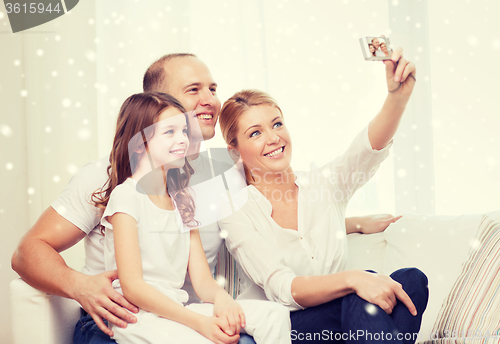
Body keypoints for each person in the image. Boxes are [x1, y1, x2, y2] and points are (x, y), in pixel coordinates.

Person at [11, 53, 402, 344]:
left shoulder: (226, 178)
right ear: (155, 105)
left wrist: (348, 222)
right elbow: (27, 252)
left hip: (188, 314)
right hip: (122, 320)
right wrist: (78, 284)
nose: (210, 98)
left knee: (276, 327)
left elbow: (270, 216)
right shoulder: (110, 177)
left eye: (212, 88)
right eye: (193, 90)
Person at [218, 47, 429, 343]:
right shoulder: (236, 211)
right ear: (234, 151)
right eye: (255, 133)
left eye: (277, 123)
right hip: (285, 327)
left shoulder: (323, 186)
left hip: (344, 321)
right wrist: (353, 278)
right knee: (362, 290)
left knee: (411, 280)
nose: (273, 137)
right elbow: (282, 287)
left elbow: (366, 152)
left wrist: (397, 97)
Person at [93, 91, 291, 344]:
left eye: (184, 131)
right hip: (138, 318)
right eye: (169, 132)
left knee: (274, 315)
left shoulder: (182, 201)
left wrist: (223, 301)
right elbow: (133, 287)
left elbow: (202, 281)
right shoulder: (126, 196)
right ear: (141, 141)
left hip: (177, 309)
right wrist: (201, 323)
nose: (183, 139)